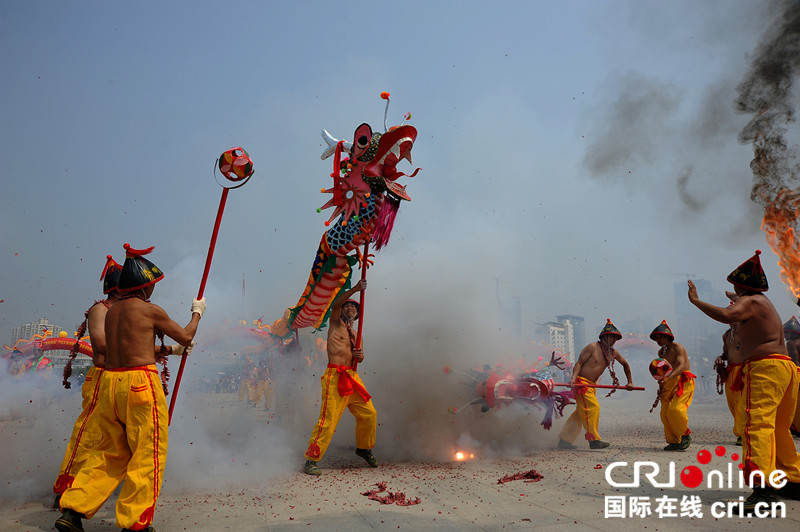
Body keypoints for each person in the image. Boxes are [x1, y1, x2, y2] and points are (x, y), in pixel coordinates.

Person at [55, 244, 206, 532]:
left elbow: (130, 348)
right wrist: (197, 312)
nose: (153, 290)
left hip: (111, 382)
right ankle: (135, 522)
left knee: (108, 452)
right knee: (148, 452)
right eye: (152, 285)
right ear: (145, 286)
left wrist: (169, 351)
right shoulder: (150, 310)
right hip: (140, 384)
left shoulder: (112, 313)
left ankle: (73, 510)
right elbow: (186, 336)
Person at [687, 250, 800, 510]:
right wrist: (734, 296)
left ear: (742, 285)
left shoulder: (750, 301)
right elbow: (738, 301)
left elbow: (727, 316)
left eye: (735, 286)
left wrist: (696, 301)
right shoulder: (761, 301)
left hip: (765, 368)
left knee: (757, 426)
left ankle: (762, 490)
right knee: (778, 428)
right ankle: (792, 480)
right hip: (783, 368)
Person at [52, 255, 122, 508]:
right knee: (89, 434)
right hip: (103, 378)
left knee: (122, 435)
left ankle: (108, 483)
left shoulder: (128, 311)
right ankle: (66, 487)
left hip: (124, 379)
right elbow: (101, 346)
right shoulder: (101, 310)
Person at [303, 279, 378, 475]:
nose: (351, 308)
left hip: (352, 377)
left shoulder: (356, 334)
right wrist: (356, 289)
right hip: (335, 376)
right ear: (342, 310)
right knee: (328, 420)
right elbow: (335, 304)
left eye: (354, 307)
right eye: (348, 306)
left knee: (369, 414)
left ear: (358, 314)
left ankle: (364, 448)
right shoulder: (335, 324)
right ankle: (311, 460)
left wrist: (360, 356)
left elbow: (359, 359)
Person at [557, 319, 634, 450]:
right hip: (582, 384)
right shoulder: (592, 347)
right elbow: (579, 363)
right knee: (593, 408)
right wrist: (573, 379)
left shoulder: (613, 353)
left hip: (592, 386)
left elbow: (625, 364)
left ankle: (565, 440)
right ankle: (593, 440)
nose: (614, 340)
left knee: (581, 414)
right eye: (612, 337)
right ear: (604, 336)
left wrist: (630, 382)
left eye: (616, 338)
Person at [650, 320, 695, 451]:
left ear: (667, 336)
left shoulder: (677, 347)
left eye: (660, 337)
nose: (658, 340)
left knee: (675, 409)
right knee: (664, 414)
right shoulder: (660, 353)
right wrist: (661, 382)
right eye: (656, 338)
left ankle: (685, 435)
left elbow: (681, 366)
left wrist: (668, 377)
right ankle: (674, 441)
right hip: (668, 383)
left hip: (683, 381)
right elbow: (662, 371)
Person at [783, 316, 800, 437]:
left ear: (791, 333)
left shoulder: (791, 343)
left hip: (798, 373)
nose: (784, 336)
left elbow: (795, 361)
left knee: (796, 403)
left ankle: (798, 428)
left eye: (785, 333)